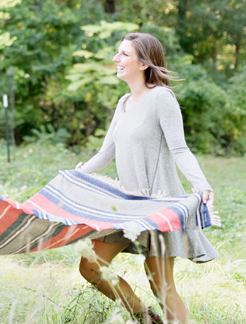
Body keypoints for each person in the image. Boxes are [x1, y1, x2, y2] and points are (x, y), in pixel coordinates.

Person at [76, 32, 216, 324]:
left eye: (124, 54)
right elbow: (105, 154)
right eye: (118, 53)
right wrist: (74, 177)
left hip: (157, 206)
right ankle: (145, 317)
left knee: (161, 285)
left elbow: (179, 148)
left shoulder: (162, 98)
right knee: (90, 267)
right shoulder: (124, 102)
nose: (116, 59)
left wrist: (202, 185)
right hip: (125, 205)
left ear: (143, 63)